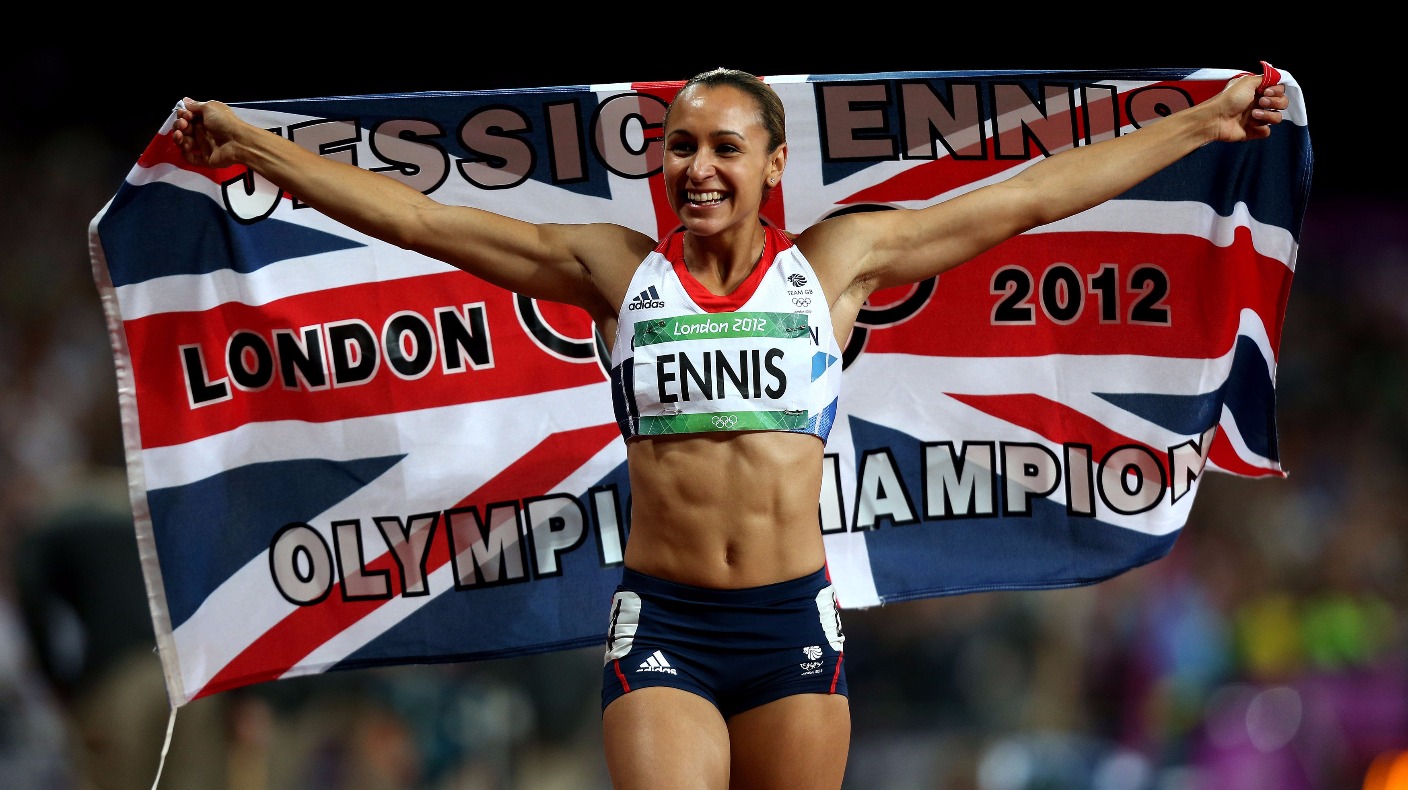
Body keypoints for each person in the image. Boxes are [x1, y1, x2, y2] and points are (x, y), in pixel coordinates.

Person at [172, 65, 1288, 789]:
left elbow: (1031, 198)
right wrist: (256, 147)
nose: (697, 168)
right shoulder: (617, 272)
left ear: (771, 164)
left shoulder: (836, 265)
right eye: (679, 147)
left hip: (792, 622)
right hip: (667, 624)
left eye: (723, 148)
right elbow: (422, 218)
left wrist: (1203, 121)